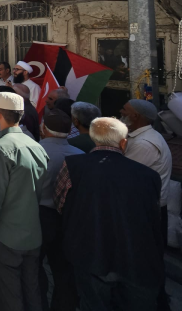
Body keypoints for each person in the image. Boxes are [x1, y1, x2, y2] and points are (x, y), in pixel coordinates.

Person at [56, 117, 164, 310]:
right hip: (135, 258)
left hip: (89, 253)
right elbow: (153, 216)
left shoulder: (73, 165)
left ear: (93, 139)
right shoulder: (149, 176)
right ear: (123, 143)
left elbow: (60, 202)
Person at [0, 92, 49, 311]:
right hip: (33, 232)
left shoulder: (1, 147)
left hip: (6, 236)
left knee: (9, 292)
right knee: (32, 288)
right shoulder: (35, 144)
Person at [35, 111, 83, 311]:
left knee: (35, 266)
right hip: (67, 219)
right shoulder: (80, 155)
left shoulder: (35, 150)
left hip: (39, 215)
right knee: (63, 269)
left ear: (44, 129)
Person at [120, 99, 172, 239]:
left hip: (146, 207)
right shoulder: (142, 137)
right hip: (144, 204)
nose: (121, 112)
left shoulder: (144, 143)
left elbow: (123, 175)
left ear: (135, 116)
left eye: (124, 109)